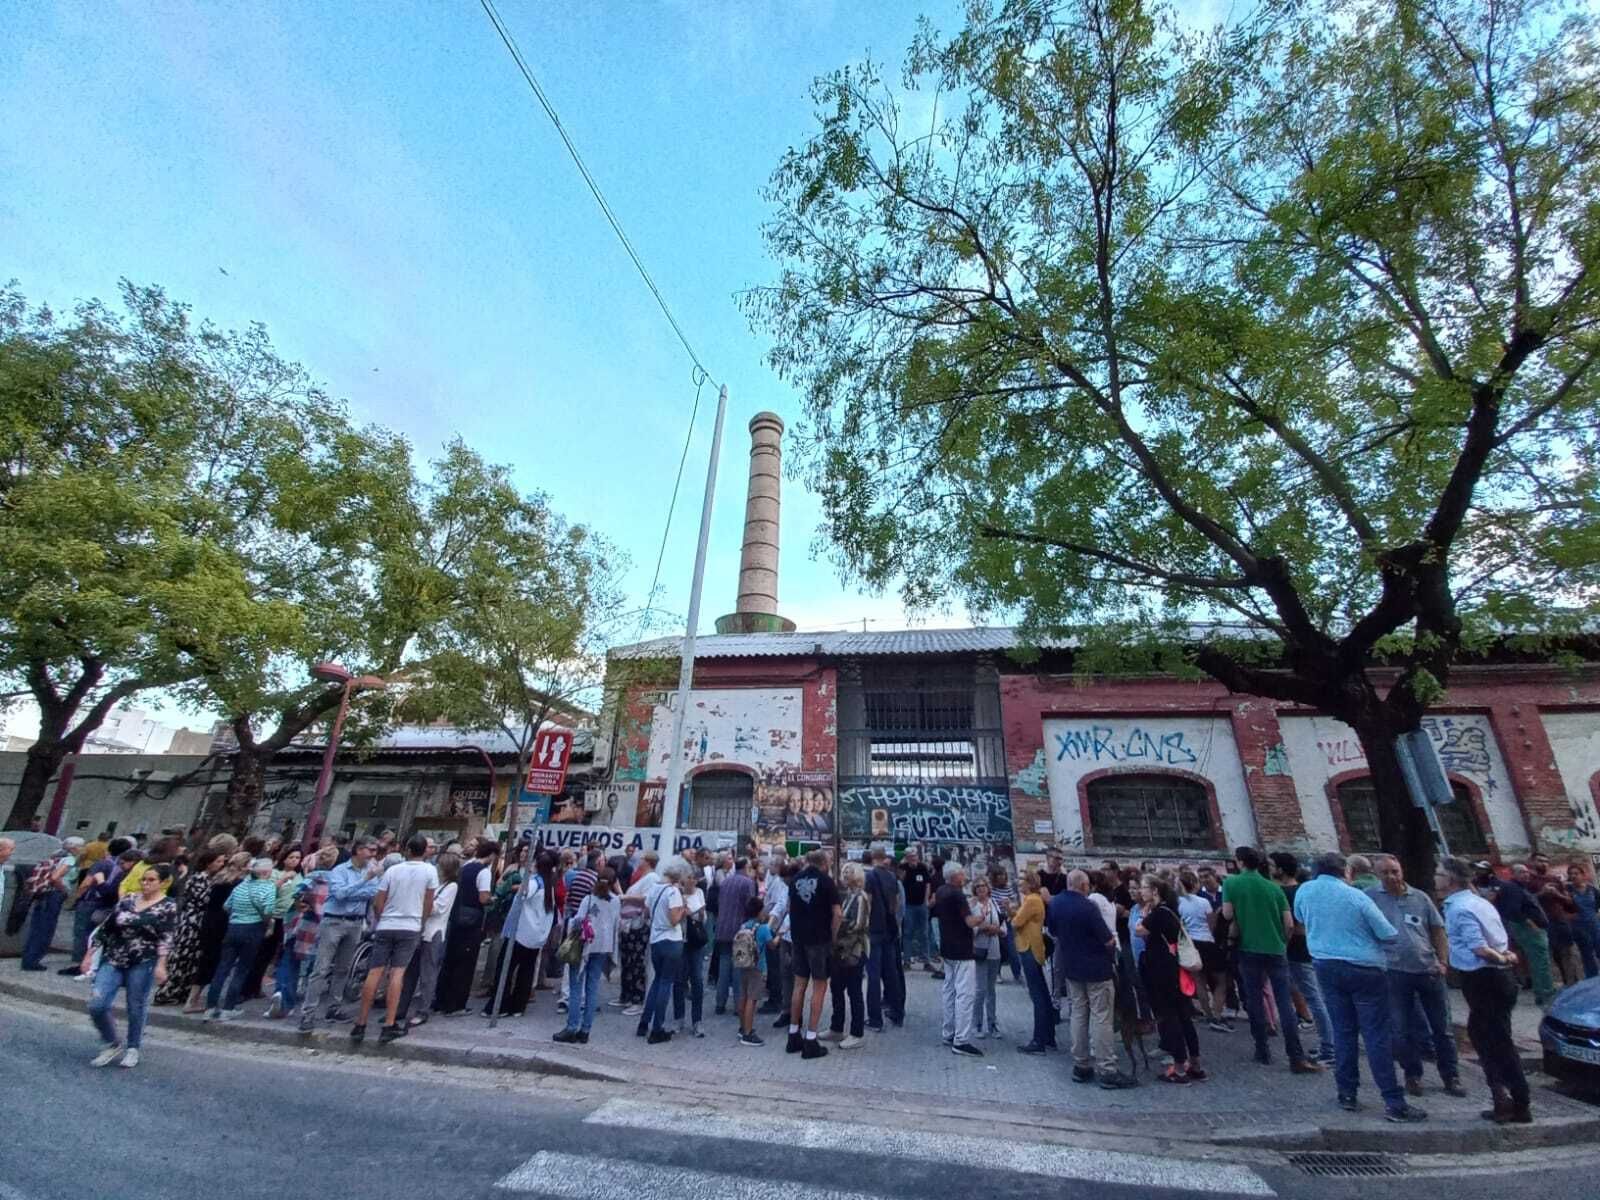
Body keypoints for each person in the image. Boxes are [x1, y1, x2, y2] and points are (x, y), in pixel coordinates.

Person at [1293, 852, 1424, 1123]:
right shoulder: (1355, 896)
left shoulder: (1305, 890)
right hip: (1364, 968)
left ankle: (1347, 1093)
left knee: (1343, 1032)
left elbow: (1300, 918)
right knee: (1376, 1036)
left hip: (1325, 965)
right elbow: (1387, 933)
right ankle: (1393, 1101)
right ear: (1346, 872)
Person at [1438, 856, 1532, 1123]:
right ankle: (1503, 1098)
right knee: (1485, 1037)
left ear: (1451, 879)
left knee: (1496, 1041)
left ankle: (1518, 1101)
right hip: (1496, 978)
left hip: (1483, 978)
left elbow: (1478, 947)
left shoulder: (1459, 908)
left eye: (1439, 873)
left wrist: (1503, 958)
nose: (1435, 878)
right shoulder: (1478, 902)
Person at [1367, 853, 1465, 1097]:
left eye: (1395, 871)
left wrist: (1443, 962)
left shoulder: (1419, 897)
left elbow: (1437, 930)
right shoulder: (1371, 898)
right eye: (1385, 873)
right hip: (1393, 972)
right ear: (1377, 875)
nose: (1391, 877)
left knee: (1441, 1028)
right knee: (1401, 1029)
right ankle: (1413, 1074)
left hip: (1428, 970)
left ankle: (1451, 1075)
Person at [1221, 846, 1323, 1075]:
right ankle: (1295, 1054)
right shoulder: (1274, 888)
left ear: (1239, 862)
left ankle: (1262, 1049)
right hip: (1276, 949)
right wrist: (1282, 943)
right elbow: (1288, 924)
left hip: (1248, 948)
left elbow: (1227, 915)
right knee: (1284, 1002)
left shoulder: (1232, 883)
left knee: (1255, 1000)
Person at [82, 864, 177, 1069]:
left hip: (144, 959)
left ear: (162, 883)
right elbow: (107, 928)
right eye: (144, 879)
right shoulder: (128, 900)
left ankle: (133, 1047)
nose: (146, 883)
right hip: (115, 956)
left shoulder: (168, 905)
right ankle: (111, 1041)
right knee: (97, 1004)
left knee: (136, 1005)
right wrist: (89, 955)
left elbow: (166, 937)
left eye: (151, 880)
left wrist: (162, 964)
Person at [1049, 869, 1135, 1087]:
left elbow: (1053, 931)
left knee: (1078, 1014)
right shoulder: (1088, 907)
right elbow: (1107, 939)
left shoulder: (1056, 903)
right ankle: (1106, 1068)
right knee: (1101, 1017)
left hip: (1072, 967)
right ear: (1084, 885)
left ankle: (1081, 1064)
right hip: (1096, 968)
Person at [352, 833, 437, 1043]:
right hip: (410, 925)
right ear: (424, 850)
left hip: (387, 924)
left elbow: (378, 901)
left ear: (407, 850)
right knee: (397, 973)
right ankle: (390, 1023)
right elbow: (428, 901)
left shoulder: (393, 870)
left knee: (375, 972)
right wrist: (421, 922)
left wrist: (383, 918)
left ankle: (360, 1023)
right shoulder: (429, 871)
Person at [297, 838, 381, 1031]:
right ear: (359, 850)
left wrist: (361, 887)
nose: (373, 854)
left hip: (355, 922)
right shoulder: (340, 870)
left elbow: (373, 892)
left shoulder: (370, 871)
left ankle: (334, 1007)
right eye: (370, 850)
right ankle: (308, 1013)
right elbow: (340, 894)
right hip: (334, 920)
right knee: (322, 968)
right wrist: (364, 881)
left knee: (343, 967)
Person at [1136, 874, 1205, 1084]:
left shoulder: (1159, 913)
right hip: (1175, 969)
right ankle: (1195, 1064)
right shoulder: (1171, 910)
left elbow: (1139, 930)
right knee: (1184, 1016)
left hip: (1162, 970)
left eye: (1144, 888)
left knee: (1170, 1016)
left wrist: (1143, 913)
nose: (1141, 891)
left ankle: (1179, 1068)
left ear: (1155, 891)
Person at [1270, 852, 1335, 1062]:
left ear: (1280, 869)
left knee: (1315, 998)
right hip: (1313, 949)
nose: (1269, 869)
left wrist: (1283, 941)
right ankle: (1330, 1042)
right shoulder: (1305, 890)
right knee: (1318, 996)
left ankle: (1330, 1048)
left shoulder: (1284, 892)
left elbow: (1296, 927)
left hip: (1296, 950)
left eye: (1272, 865)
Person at [152, 846, 228, 1008]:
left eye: (223, 861)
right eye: (218, 861)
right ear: (209, 863)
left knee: (192, 960)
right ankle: (167, 992)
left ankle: (181, 992)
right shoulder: (200, 878)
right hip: (191, 922)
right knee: (181, 958)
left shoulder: (211, 879)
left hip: (200, 921)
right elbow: (202, 899)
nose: (221, 864)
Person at [486, 849, 556, 1018]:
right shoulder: (548, 885)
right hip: (535, 935)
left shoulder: (535, 882)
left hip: (520, 934)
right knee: (526, 970)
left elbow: (523, 894)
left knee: (506, 968)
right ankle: (518, 1005)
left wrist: (517, 885)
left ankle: (499, 1004)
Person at [205, 857, 278, 1021]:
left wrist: (237, 915)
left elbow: (226, 906)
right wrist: (267, 923)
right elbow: (268, 910)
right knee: (241, 969)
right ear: (266, 872)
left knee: (222, 968)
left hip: (233, 927)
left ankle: (210, 1007)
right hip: (253, 928)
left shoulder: (241, 886)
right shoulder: (268, 887)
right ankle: (228, 1007)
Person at [786, 849, 842, 1058]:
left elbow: (790, 906)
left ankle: (793, 1034)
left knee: (799, 985)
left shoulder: (795, 880)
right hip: (819, 939)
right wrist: (834, 937)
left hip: (798, 937)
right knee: (819, 987)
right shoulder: (827, 882)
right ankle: (811, 1039)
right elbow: (837, 913)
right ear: (825, 863)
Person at [555, 867, 620, 1043]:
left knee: (576, 988)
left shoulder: (588, 899)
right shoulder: (615, 901)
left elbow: (578, 921)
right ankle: (585, 1030)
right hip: (602, 947)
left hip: (585, 946)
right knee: (592, 989)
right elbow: (616, 923)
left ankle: (571, 1027)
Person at [1477, 862, 1556, 1007]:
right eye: (1521, 872)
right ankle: (1546, 993)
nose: (1526, 874)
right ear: (1512, 874)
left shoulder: (1519, 888)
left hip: (1531, 929)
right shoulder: (1512, 888)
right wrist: (1533, 926)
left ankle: (1543, 991)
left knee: (1539, 961)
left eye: (1526, 872)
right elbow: (1513, 911)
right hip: (1529, 930)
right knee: (1540, 962)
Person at [435, 838, 495, 1016]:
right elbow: (484, 898)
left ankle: (441, 1000)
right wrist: (493, 899)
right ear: (491, 855)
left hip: (456, 917)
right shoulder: (483, 872)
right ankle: (456, 1004)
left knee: (450, 960)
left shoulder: (466, 866)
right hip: (472, 921)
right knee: (465, 963)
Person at [398, 850, 458, 1028]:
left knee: (428, 972)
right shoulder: (434, 884)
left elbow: (437, 909)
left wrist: (420, 900)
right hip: (418, 930)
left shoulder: (451, 887)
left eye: (439, 865)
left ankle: (423, 1010)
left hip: (434, 932)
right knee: (409, 972)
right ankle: (401, 1007)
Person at [930, 863, 982, 1057]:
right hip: (962, 950)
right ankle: (961, 1040)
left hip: (947, 947)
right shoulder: (958, 895)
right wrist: (981, 916)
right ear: (955, 876)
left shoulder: (941, 890)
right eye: (962, 873)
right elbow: (969, 921)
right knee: (965, 995)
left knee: (949, 991)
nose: (964, 876)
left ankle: (948, 1032)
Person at [639, 860, 688, 1044]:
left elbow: (646, 911)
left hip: (656, 940)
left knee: (657, 981)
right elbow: (674, 919)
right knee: (666, 983)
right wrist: (683, 907)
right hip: (671, 940)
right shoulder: (673, 892)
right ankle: (657, 1028)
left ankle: (644, 1022)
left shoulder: (654, 889)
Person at [825, 861, 870, 1049]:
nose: (845, 876)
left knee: (854, 991)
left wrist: (840, 928)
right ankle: (836, 1028)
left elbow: (860, 924)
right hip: (842, 949)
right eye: (844, 872)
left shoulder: (861, 897)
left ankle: (856, 1033)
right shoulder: (848, 896)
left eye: (848, 873)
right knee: (836, 987)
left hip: (854, 949)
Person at [1010, 869, 1055, 1054]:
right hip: (1033, 947)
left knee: (1037, 995)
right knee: (1042, 994)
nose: (1019, 883)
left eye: (1022, 880)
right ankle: (1048, 1036)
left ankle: (1039, 1041)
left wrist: (1012, 913)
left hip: (1029, 947)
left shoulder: (1031, 900)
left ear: (1030, 883)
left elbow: (1016, 922)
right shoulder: (1033, 900)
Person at [1178, 869, 1228, 1031]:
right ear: (1194, 884)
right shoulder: (1203, 902)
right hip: (1207, 941)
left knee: (1199, 980)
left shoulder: (1178, 903)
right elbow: (1211, 924)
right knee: (1221, 980)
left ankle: (1208, 1014)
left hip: (1191, 944)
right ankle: (1217, 1014)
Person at [20, 838, 81, 970]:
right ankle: (34, 960)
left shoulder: (56, 855)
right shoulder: (70, 860)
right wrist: (64, 890)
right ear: (74, 848)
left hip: (43, 893)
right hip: (54, 895)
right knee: (46, 928)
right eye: (80, 847)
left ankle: (28, 958)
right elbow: (55, 877)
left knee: (37, 927)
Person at [864, 847, 905, 1030]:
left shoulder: (870, 877)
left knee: (873, 976)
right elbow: (895, 905)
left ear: (873, 857)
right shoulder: (892, 877)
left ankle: (875, 1019)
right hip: (889, 929)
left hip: (874, 929)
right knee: (891, 973)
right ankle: (897, 1012)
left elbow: (869, 903)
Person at [713, 856, 757, 1016]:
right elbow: (750, 905)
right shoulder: (747, 883)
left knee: (724, 967)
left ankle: (720, 1003)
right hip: (739, 929)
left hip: (722, 928)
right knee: (739, 968)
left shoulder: (726, 881)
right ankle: (739, 1005)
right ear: (745, 867)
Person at [671, 869, 709, 1037]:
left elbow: (704, 919)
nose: (692, 881)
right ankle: (679, 1018)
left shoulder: (700, 893)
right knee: (679, 980)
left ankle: (697, 1021)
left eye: (694, 878)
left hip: (695, 942)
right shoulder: (677, 894)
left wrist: (699, 913)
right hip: (681, 941)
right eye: (689, 878)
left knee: (698, 981)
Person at [734, 895, 774, 1046]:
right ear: (759, 912)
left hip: (744, 965)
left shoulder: (744, 926)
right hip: (758, 967)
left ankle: (742, 1027)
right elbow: (771, 945)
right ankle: (748, 1033)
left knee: (743, 996)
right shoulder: (763, 929)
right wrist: (779, 936)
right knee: (753, 999)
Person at [969, 877, 1004, 1039]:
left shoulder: (994, 903)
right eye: (978, 887)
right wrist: (981, 928)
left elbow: (1003, 927)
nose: (981, 889)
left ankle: (992, 1023)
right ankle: (976, 1023)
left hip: (994, 949)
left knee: (992, 990)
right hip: (979, 949)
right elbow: (969, 927)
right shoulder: (972, 905)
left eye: (984, 886)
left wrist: (997, 930)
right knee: (980, 989)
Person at [900, 847, 933, 968]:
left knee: (924, 933)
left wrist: (926, 900)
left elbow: (927, 884)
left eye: (915, 856)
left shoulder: (922, 868)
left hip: (921, 904)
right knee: (908, 932)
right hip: (908, 905)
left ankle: (926, 960)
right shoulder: (903, 868)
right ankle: (907, 960)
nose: (913, 859)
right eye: (911, 857)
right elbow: (900, 883)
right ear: (907, 858)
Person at [1570, 861, 1600, 979]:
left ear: (1583, 875)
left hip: (1594, 925)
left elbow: (1598, 905)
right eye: (1571, 874)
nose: (1573, 876)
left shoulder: (1592, 890)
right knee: (1587, 954)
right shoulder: (1568, 890)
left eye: (1576, 873)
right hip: (1578, 927)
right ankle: (1592, 979)